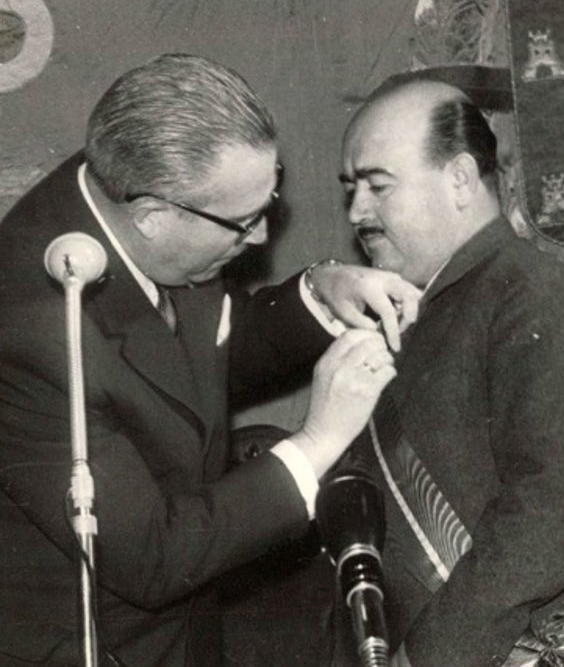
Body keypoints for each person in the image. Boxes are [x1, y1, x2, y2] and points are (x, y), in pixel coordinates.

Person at [0, 53, 421, 667]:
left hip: (189, 623)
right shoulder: (32, 335)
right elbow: (154, 556)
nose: (258, 240)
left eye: (267, 203)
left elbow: (188, 360)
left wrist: (321, 292)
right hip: (102, 644)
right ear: (151, 214)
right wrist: (318, 440)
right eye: (243, 222)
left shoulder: (137, 188)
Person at [334, 65, 564, 667]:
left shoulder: (538, 296)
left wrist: (427, 656)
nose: (357, 210)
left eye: (378, 185)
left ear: (462, 179)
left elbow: (551, 519)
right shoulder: (412, 312)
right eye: (350, 189)